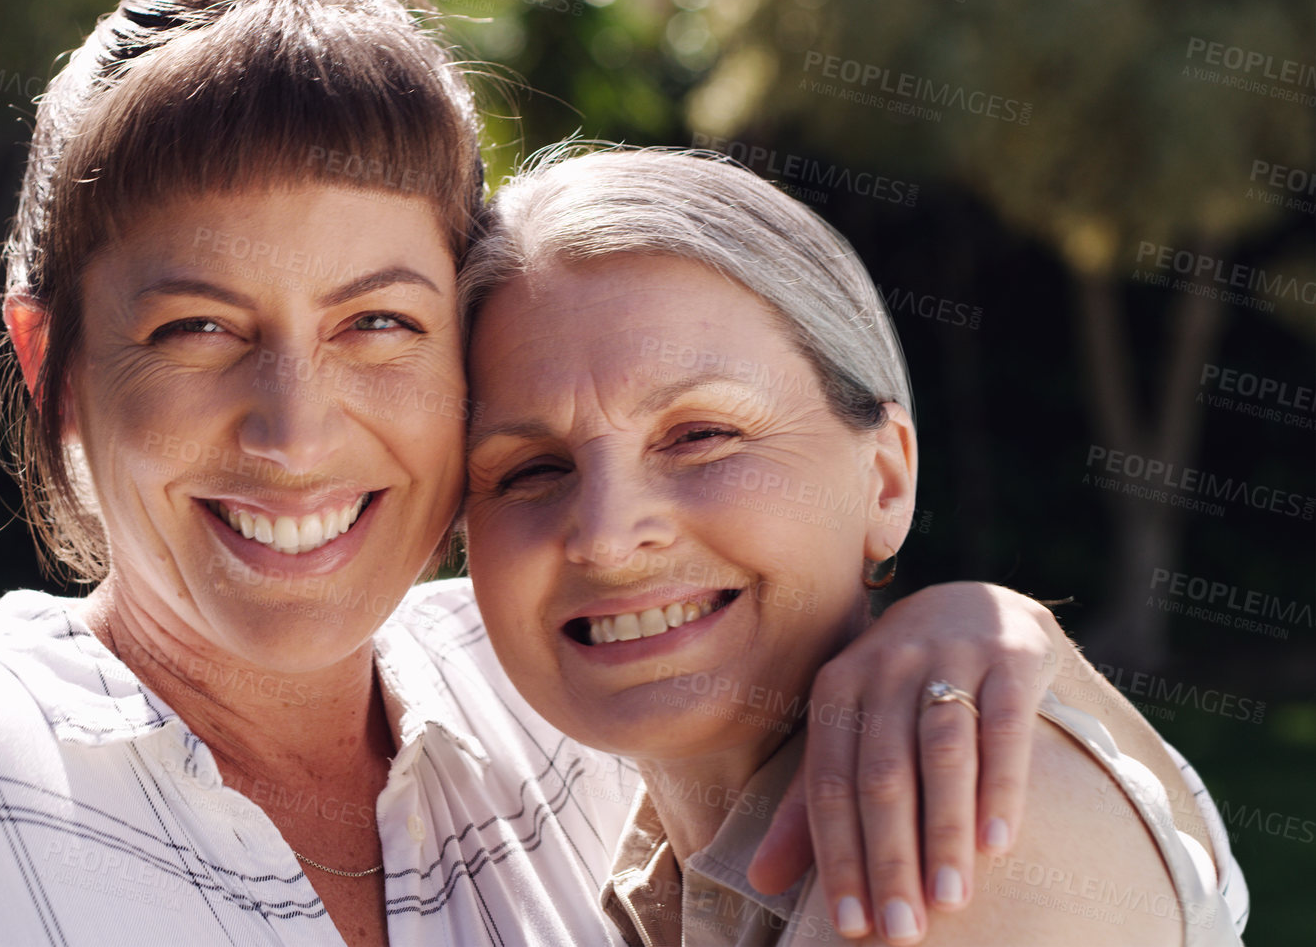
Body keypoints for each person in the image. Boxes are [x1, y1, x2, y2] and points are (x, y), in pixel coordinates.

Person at [0, 0, 1210, 946]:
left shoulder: (551, 698)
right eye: (197, 327)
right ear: (53, 362)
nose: (293, 430)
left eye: (377, 323)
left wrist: (988, 634)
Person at [458, 146, 1249, 946]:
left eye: (700, 435)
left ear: (886, 481)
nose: (608, 536)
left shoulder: (964, 815)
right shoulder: (625, 851)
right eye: (531, 470)